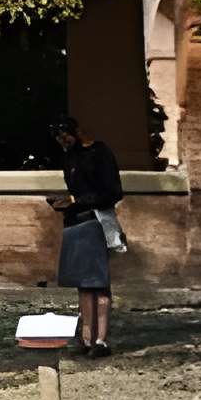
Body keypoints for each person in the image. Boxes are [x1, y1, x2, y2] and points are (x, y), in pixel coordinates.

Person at [50, 115, 124, 355]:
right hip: (75, 222)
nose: (62, 141)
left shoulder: (100, 153)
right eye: (58, 138)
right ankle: (86, 337)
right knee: (83, 284)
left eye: (65, 135)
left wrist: (76, 200)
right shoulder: (69, 156)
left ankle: (101, 339)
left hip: (96, 222)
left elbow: (112, 192)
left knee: (99, 283)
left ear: (76, 131)